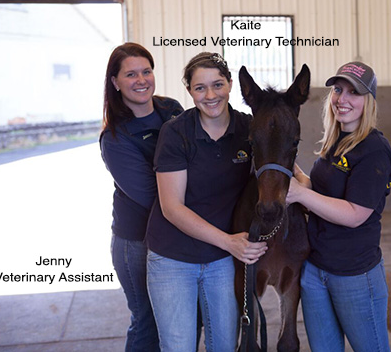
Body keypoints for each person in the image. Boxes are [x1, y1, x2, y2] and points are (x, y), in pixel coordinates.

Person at [146, 52, 268, 351]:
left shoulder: (249, 128)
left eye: (218, 85)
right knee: (179, 346)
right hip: (173, 257)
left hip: (222, 262)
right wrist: (229, 242)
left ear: (229, 85)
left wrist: (302, 185)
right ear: (189, 90)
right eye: (200, 88)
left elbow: (281, 167)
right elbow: (171, 207)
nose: (211, 95)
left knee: (225, 345)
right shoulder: (176, 133)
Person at [286, 61, 391, 352]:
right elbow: (323, 195)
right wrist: (289, 172)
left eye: (353, 92)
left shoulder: (374, 150)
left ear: (368, 101)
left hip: (354, 275)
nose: (342, 99)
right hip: (315, 269)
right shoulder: (336, 141)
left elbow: (354, 214)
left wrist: (299, 195)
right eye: (337, 90)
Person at [100, 42, 184, 352]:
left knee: (179, 320)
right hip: (137, 242)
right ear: (115, 82)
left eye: (146, 71)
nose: (141, 80)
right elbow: (156, 198)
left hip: (176, 234)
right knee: (147, 322)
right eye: (131, 74)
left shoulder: (171, 109)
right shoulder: (115, 137)